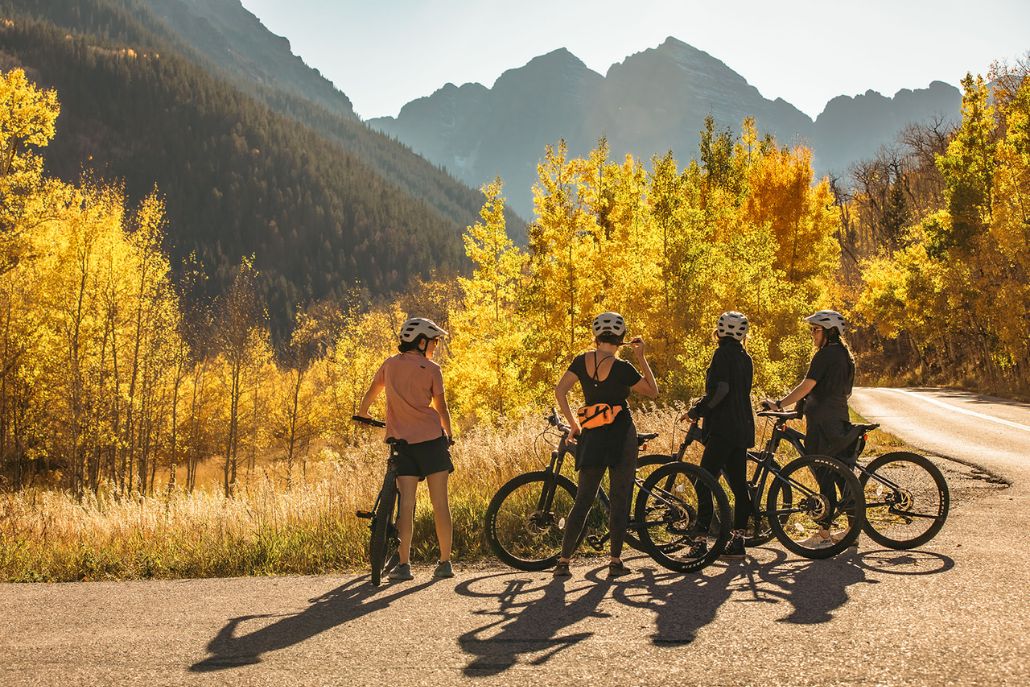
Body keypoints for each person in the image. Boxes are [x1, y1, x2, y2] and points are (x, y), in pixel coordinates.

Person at [553, 312, 659, 578]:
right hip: (621, 433)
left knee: (584, 499)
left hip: (593, 434)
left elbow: (560, 391)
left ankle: (564, 562)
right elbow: (653, 391)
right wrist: (642, 357)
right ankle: (614, 561)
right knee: (620, 497)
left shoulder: (581, 361)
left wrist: (574, 425)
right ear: (621, 338)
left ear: (596, 335)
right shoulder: (623, 367)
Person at [357, 317, 455, 581]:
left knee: (406, 506)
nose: (435, 346)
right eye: (434, 341)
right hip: (432, 442)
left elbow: (373, 390)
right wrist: (450, 433)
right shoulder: (432, 369)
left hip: (403, 445)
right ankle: (445, 563)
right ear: (421, 341)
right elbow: (441, 408)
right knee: (439, 504)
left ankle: (404, 565)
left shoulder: (389, 365)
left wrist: (363, 412)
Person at [763, 309, 857, 546]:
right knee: (840, 476)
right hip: (836, 420)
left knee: (825, 474)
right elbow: (834, 391)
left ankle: (825, 534)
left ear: (829, 332)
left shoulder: (826, 355)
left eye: (815, 330)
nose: (812, 335)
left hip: (824, 424)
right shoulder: (844, 355)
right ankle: (851, 531)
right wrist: (798, 410)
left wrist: (779, 404)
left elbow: (808, 385)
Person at [681, 311, 755, 559]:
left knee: (703, 481)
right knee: (738, 486)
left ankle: (700, 540)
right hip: (742, 427)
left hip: (723, 428)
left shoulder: (722, 353)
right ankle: (738, 542)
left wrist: (698, 410)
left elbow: (721, 389)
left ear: (720, 331)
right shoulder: (746, 358)